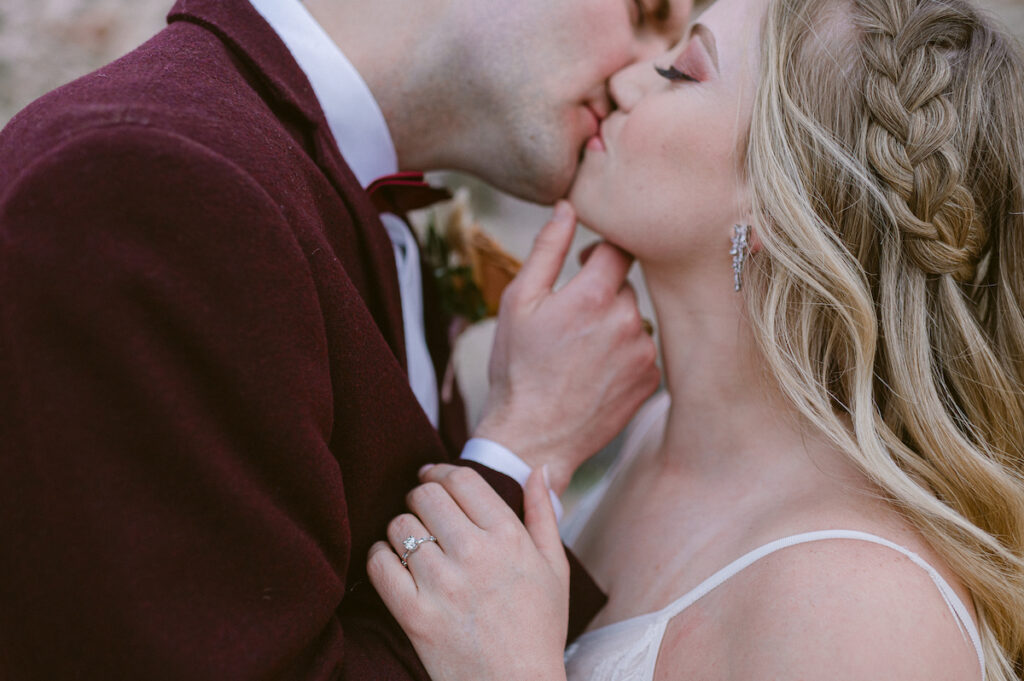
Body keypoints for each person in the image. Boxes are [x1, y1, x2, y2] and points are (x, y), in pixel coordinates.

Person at [0, 0, 691, 678]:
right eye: (643, 11)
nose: (646, 73)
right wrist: (527, 445)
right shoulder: (146, 181)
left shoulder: (298, 178)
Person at [369, 0, 1024, 678]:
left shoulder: (867, 606)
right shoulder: (652, 433)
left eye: (681, 71)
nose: (623, 81)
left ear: (779, 196)